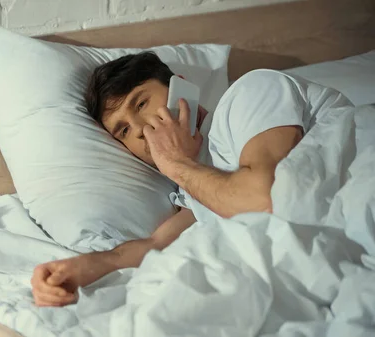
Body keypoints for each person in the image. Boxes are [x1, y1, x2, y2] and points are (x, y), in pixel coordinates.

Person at [30, 52, 349, 307]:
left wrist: (177, 164)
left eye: (141, 103)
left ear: (180, 87)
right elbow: (154, 244)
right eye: (124, 131)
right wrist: (80, 268)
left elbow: (264, 199)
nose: (140, 128)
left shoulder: (250, 94)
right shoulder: (197, 188)